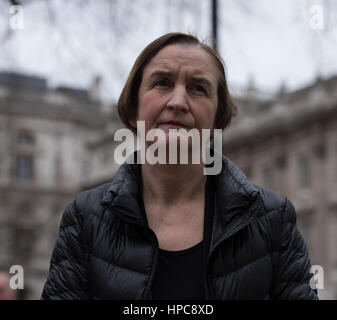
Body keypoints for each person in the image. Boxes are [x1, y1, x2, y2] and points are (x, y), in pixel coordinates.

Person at [41, 32, 318, 300]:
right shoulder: (85, 219)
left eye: (198, 88)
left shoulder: (272, 220)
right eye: (162, 83)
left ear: (217, 119)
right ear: (133, 109)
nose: (178, 102)